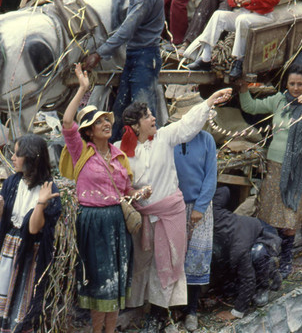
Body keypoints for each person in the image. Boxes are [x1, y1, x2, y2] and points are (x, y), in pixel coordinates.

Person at [116, 86, 232, 331]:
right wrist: (135, 195)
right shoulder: (121, 150)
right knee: (142, 263)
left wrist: (210, 101)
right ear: (136, 126)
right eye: (148, 116)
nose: (154, 118)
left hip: (170, 215)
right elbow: (119, 183)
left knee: (166, 263)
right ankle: (139, 308)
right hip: (143, 217)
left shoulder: (165, 137)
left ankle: (158, 316)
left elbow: (189, 123)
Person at [60, 63, 150, 333]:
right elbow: (66, 122)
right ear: (87, 131)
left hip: (116, 222)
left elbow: (125, 193)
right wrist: (83, 89)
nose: (106, 123)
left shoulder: (119, 156)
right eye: (99, 121)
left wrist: (139, 193)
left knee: (114, 282)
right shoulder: (81, 151)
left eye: (107, 120)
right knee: (99, 283)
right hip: (93, 222)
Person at [238, 64, 302, 277]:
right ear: (286, 84)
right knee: (269, 213)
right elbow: (251, 107)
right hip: (275, 166)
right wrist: (243, 89)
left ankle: (286, 261)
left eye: (300, 84)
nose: (295, 88)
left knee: (289, 216)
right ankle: (268, 259)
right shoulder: (279, 100)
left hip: (298, 169)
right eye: (292, 83)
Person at [0, 134, 62, 332]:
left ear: (31, 158)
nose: (12, 157)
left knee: (23, 300)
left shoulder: (48, 189)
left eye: (17, 154)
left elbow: (33, 228)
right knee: (2, 296)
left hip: (30, 254)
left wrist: (41, 203)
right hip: (9, 250)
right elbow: (4, 221)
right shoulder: (12, 182)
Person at [84, 0, 164, 142]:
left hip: (145, 57)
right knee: (120, 111)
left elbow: (126, 30)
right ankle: (113, 153)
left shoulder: (143, 0)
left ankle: (150, 155)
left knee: (143, 114)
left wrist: (99, 54)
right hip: (135, 55)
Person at [173, 104, 217, 331]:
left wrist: (200, 207)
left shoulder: (207, 140)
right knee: (173, 258)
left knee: (196, 258)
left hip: (200, 208)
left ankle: (191, 310)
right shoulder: (170, 138)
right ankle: (171, 310)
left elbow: (211, 176)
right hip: (173, 207)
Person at [211, 186, 281, 320]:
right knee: (228, 289)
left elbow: (248, 280)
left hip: (264, 234)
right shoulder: (211, 211)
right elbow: (225, 190)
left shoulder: (238, 249)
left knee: (257, 254)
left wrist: (235, 313)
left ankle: (265, 283)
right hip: (242, 233)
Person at [183, 0, 280, 77]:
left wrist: (251, 0)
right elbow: (230, 1)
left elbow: (274, 0)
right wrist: (235, 0)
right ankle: (205, 59)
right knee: (218, 15)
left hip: (263, 17)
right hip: (243, 14)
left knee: (241, 20)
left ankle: (239, 61)